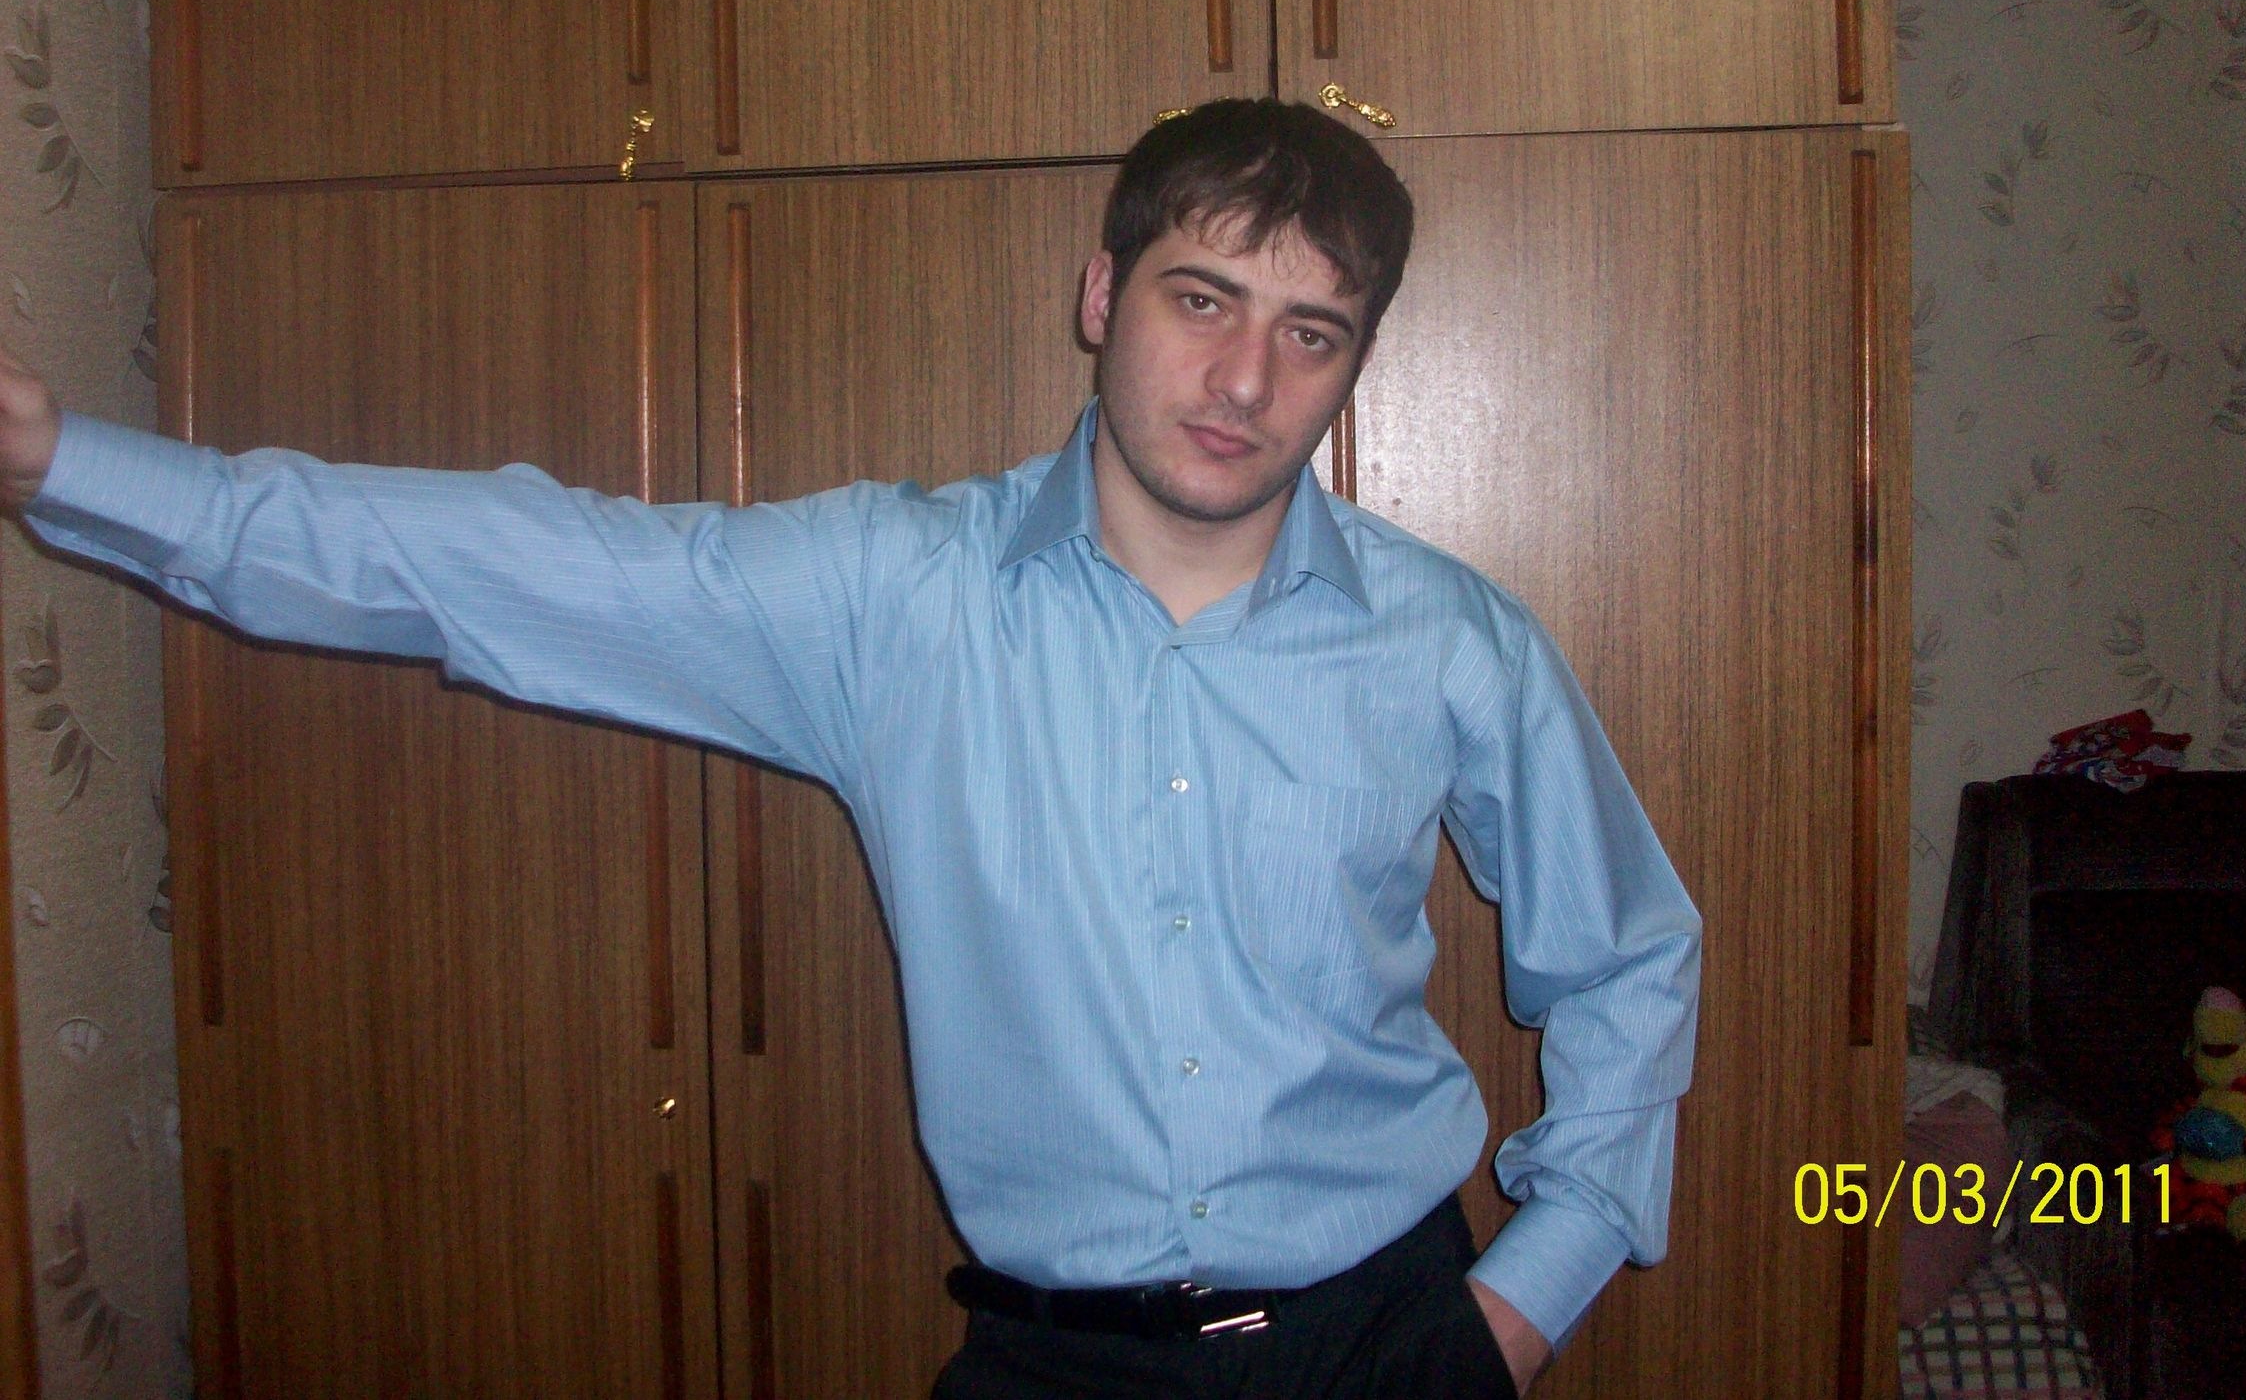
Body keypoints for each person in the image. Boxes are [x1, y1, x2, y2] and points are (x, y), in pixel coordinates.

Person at [1, 98, 1699, 1399]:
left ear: (1352, 366)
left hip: (1391, 1338)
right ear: (1101, 292)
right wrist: (66, 462)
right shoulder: (897, 597)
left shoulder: (1448, 637)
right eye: (1204, 297)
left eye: (1310, 332)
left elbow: (1628, 954)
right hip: (1056, 1361)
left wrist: (1518, 1304)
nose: (1245, 378)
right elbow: (516, 563)